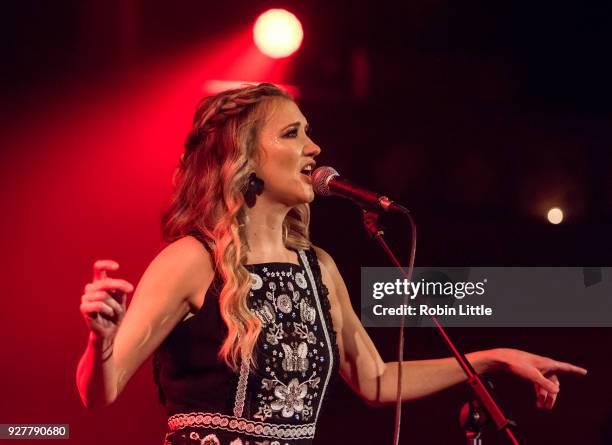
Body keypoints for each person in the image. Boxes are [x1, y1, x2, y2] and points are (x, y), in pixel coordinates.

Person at [76, 83, 587, 445]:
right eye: (292, 134)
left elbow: (376, 380)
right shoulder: (192, 260)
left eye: (309, 133)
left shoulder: (317, 267)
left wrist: (491, 357)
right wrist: (101, 340)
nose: (314, 148)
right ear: (244, 156)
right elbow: (99, 392)